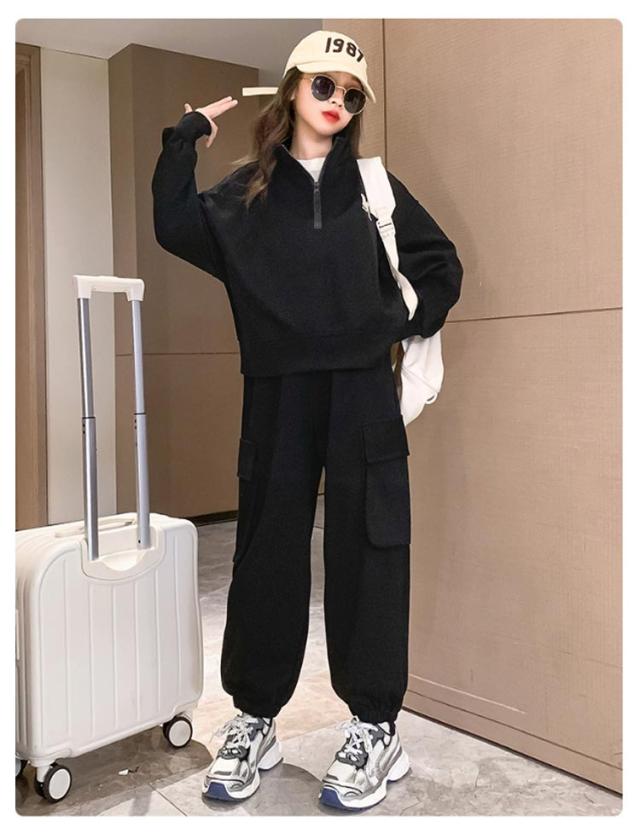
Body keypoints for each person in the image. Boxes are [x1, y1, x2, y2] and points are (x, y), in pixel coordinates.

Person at [151, 29, 463, 811]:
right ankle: (256, 717)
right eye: (324, 86)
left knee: (371, 550)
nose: (337, 103)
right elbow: (174, 223)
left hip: (361, 392)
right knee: (266, 551)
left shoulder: (374, 188)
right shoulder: (245, 195)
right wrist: (184, 138)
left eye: (351, 95)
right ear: (292, 87)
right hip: (278, 394)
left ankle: (375, 726)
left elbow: (441, 266)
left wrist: (396, 321)